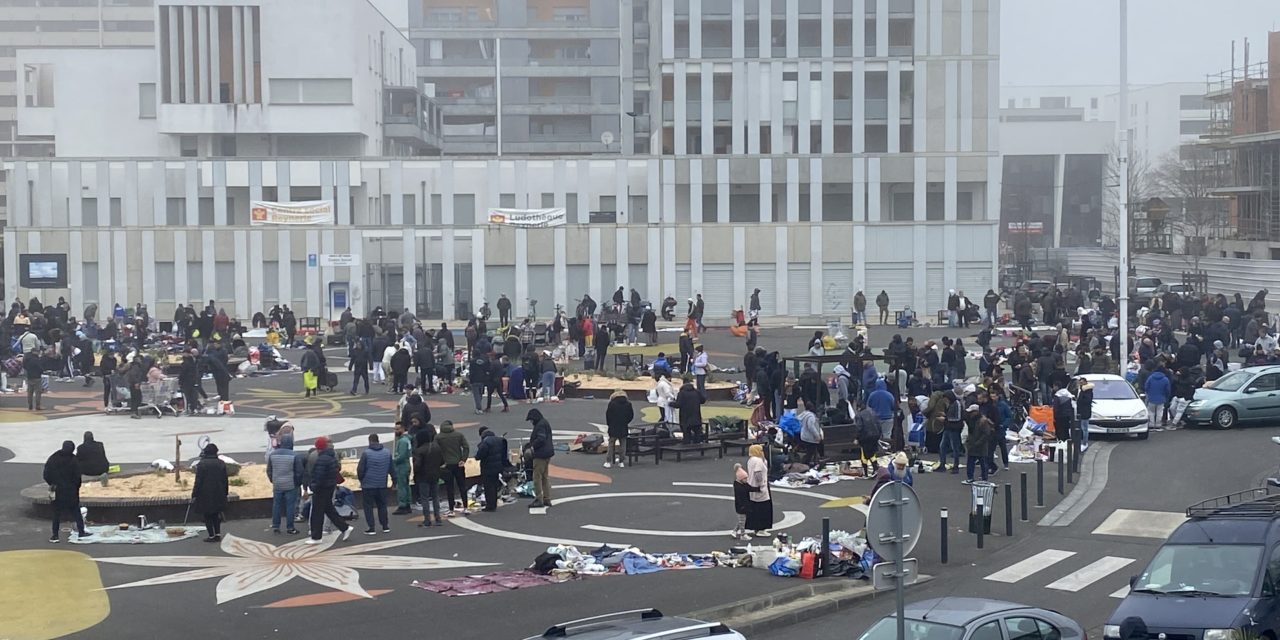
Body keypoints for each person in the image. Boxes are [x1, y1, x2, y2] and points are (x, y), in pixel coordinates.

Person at [307, 437, 352, 544]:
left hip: (321, 489)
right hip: (329, 487)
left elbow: (319, 476)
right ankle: (344, 527)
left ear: (318, 447)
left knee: (317, 513)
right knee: (329, 510)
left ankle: (316, 537)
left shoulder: (322, 459)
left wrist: (313, 487)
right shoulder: (331, 457)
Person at [43, 441, 91, 542]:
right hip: (71, 490)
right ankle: (81, 532)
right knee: (76, 512)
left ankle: (55, 535)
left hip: (57, 490)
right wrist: (76, 487)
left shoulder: (53, 458)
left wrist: (52, 483)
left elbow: (46, 474)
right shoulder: (74, 460)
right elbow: (78, 477)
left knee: (56, 513)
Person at [191, 443, 229, 542]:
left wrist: (194, 493)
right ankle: (217, 534)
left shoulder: (202, 464)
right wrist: (225, 492)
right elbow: (225, 479)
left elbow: (198, 481)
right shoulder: (221, 463)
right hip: (219, 492)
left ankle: (211, 535)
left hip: (205, 493)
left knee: (207, 515)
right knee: (216, 514)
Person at [267, 434, 304, 535]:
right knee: (290, 506)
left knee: (276, 505)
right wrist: (297, 483)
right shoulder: (294, 455)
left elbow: (269, 470)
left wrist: (273, 480)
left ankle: (276, 525)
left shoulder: (273, 455)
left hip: (277, 484)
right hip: (290, 484)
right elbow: (299, 472)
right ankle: (290, 527)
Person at [357, 434, 393, 535]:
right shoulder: (387, 452)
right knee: (382, 505)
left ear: (369, 441)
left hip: (368, 485)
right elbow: (391, 468)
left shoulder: (366, 453)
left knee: (368, 506)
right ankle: (385, 526)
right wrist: (394, 481)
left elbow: (360, 470)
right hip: (382, 484)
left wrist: (362, 480)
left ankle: (371, 527)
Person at [435, 420, 470, 515]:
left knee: (449, 488)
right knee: (462, 486)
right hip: (458, 464)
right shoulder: (458, 435)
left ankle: (451, 509)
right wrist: (463, 459)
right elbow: (466, 447)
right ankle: (466, 507)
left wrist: (440, 463)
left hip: (446, 465)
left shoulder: (438, 437)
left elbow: (436, 451)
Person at [413, 429, 445, 527]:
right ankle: (438, 518)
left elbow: (417, 466)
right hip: (435, 475)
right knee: (435, 497)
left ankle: (427, 520)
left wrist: (415, 475)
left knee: (425, 498)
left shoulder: (419, 450)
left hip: (423, 477)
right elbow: (442, 461)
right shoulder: (436, 447)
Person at [525, 409, 555, 508]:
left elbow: (541, 438)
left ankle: (539, 499)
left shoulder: (540, 425)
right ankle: (547, 498)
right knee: (545, 477)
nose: (531, 422)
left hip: (540, 455)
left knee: (537, 477)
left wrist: (532, 447)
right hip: (547, 453)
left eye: (531, 420)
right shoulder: (544, 422)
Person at [474, 427, 507, 512]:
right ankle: (494, 503)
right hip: (497, 466)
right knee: (494, 486)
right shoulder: (499, 440)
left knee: (488, 487)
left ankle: (490, 505)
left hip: (487, 467)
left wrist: (477, 456)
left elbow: (479, 455)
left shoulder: (485, 442)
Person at [744, 445, 773, 537]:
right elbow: (758, 472)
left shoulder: (751, 460)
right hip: (760, 487)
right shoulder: (758, 461)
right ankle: (761, 528)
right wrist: (761, 483)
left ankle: (755, 527)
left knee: (755, 507)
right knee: (764, 508)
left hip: (751, 486)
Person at [604, 389, 634, 469]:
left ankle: (608, 461)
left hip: (613, 426)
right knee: (623, 444)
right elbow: (631, 415)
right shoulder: (628, 404)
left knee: (611, 444)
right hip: (623, 426)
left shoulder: (612, 404)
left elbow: (608, 416)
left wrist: (609, 424)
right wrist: (625, 422)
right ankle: (621, 462)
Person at [963, 408, 992, 485]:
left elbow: (986, 434)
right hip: (972, 445)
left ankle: (984, 479)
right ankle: (970, 478)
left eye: (971, 412)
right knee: (971, 462)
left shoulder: (983, 421)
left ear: (976, 412)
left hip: (980, 446)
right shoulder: (972, 420)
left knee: (983, 463)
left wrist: (978, 443)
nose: (970, 414)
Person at [939, 387, 964, 473]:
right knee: (942, 446)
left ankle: (955, 466)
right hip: (948, 428)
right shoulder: (950, 404)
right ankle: (942, 464)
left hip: (954, 429)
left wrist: (945, 419)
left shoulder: (957, 404)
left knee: (955, 448)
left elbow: (958, 418)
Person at [392, 423, 413, 515]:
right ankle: (407, 503)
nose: (396, 431)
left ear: (403, 429)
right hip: (406, 464)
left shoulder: (402, 441)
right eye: (395, 429)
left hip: (402, 466)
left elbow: (401, 456)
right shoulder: (406, 439)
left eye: (397, 429)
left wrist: (393, 461)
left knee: (402, 486)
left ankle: (403, 505)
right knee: (406, 485)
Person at [1144, 365, 1171, 432]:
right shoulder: (1165, 379)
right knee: (1159, 412)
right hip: (1161, 398)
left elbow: (1146, 387)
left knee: (1151, 411)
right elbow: (1167, 390)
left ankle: (1151, 425)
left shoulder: (1151, 378)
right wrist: (1166, 396)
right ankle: (1158, 425)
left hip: (1151, 397)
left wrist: (1148, 393)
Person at [731, 463, 753, 542]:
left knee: (741, 520)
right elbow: (741, 498)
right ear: (741, 479)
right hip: (741, 506)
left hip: (742, 506)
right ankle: (742, 534)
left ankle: (734, 531)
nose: (746, 480)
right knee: (742, 521)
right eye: (745, 479)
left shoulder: (740, 485)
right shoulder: (739, 488)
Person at [797, 400, 823, 466]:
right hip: (809, 437)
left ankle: (813, 461)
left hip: (804, 436)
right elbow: (811, 426)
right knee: (810, 452)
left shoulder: (804, 414)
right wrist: (817, 435)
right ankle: (805, 464)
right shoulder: (811, 416)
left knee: (811, 451)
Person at [1076, 377, 1094, 452]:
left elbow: (1087, 400)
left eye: (1082, 382)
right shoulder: (1081, 390)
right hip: (1081, 411)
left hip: (1085, 412)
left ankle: (1085, 443)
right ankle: (1082, 442)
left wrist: (1080, 400)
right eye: (1080, 382)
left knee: (1084, 428)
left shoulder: (1087, 391)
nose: (1081, 384)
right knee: (1082, 428)